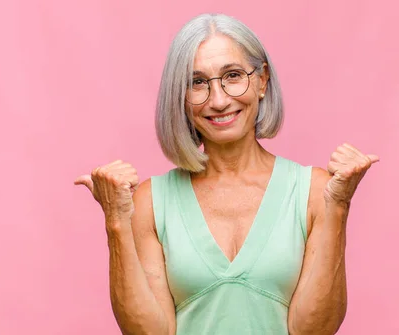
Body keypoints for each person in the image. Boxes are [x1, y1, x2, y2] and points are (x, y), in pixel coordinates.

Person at [74, 13, 379, 335]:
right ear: (180, 97)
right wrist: (116, 220)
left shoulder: (315, 191)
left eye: (233, 76)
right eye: (197, 83)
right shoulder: (151, 201)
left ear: (262, 80)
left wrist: (339, 206)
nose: (218, 101)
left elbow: (314, 330)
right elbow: (149, 332)